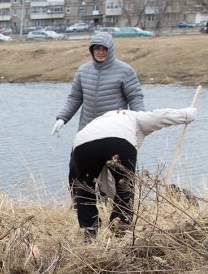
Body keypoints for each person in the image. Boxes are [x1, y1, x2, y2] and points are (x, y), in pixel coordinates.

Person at [70, 107, 196, 241]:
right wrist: (187, 114)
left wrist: (77, 196)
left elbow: (77, 178)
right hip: (119, 141)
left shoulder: (95, 123)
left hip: (82, 144)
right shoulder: (133, 116)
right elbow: (160, 116)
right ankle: (119, 232)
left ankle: (90, 232)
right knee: (125, 187)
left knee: (85, 187)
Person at [52, 31, 144, 195]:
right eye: (97, 48)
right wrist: (62, 118)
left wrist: (141, 123)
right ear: (92, 50)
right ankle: (79, 207)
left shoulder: (125, 71)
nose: (100, 52)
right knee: (76, 172)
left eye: (104, 49)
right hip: (86, 132)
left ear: (110, 50)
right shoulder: (83, 71)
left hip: (114, 132)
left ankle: (109, 207)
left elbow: (135, 98)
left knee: (114, 176)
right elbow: (74, 98)